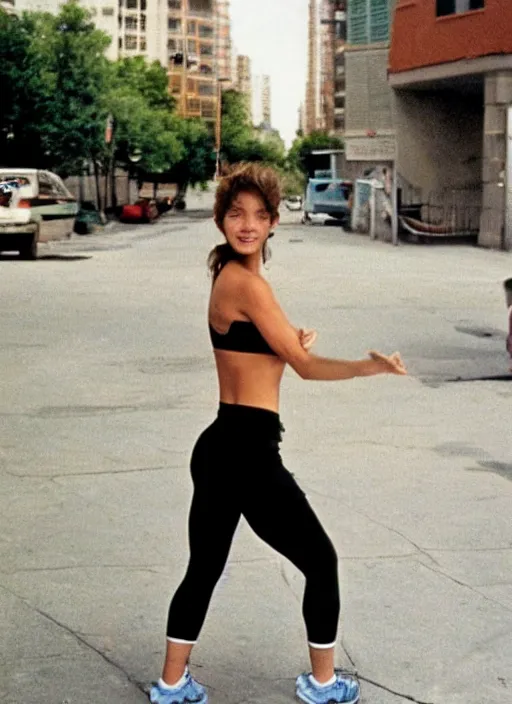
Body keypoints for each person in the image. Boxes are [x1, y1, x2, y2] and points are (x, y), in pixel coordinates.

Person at [150, 163, 407, 704]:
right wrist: (368, 366)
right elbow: (305, 367)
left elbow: (265, 345)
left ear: (272, 223)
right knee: (322, 563)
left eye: (259, 215)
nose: (247, 224)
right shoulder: (245, 281)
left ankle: (171, 686)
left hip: (222, 444)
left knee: (204, 568)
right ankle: (322, 685)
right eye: (237, 214)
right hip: (246, 451)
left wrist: (290, 338)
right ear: (221, 219)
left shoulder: (235, 279)